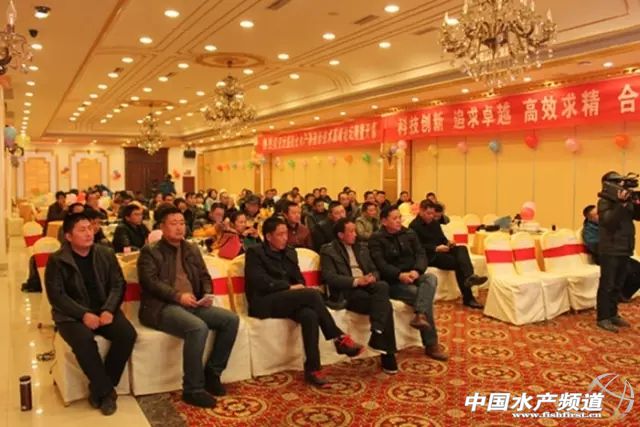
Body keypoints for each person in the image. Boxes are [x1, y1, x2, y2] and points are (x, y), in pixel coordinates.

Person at [137, 206, 240, 407]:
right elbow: (150, 282)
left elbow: (204, 276)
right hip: (161, 307)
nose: (179, 228)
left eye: (182, 223)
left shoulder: (191, 249)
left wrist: (207, 294)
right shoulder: (150, 251)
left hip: (193, 303)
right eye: (173, 223)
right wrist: (177, 296)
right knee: (197, 327)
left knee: (230, 320)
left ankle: (212, 373)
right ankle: (192, 389)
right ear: (162, 227)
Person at [245, 217, 364, 386]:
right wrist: (288, 287)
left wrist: (296, 288)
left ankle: (313, 369)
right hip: (264, 301)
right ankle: (338, 337)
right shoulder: (255, 253)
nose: (285, 238)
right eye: (280, 234)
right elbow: (259, 281)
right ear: (269, 236)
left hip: (289, 299)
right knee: (312, 295)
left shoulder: (290, 252)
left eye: (286, 234)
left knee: (309, 315)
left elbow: (299, 278)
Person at [45, 213, 137, 416]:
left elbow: (118, 284)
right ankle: (106, 392)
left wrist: (109, 309)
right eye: (82, 230)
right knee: (84, 340)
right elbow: (57, 296)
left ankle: (99, 388)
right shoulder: (57, 260)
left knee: (127, 334)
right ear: (68, 236)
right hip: (70, 315)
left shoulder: (105, 253)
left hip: (104, 309)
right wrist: (83, 314)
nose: (89, 233)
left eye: (90, 228)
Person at [369, 207, 448, 361]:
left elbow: (421, 254)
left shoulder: (409, 233)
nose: (399, 221)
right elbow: (380, 264)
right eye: (394, 218)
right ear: (384, 221)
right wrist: (399, 275)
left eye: (400, 217)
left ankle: (419, 315)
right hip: (393, 281)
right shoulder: (376, 238)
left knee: (430, 278)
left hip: (412, 274)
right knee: (419, 295)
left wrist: (417, 271)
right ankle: (431, 343)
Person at [320, 218, 398, 373]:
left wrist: (372, 277)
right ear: (341, 235)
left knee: (382, 285)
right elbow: (330, 277)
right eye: (351, 231)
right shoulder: (328, 250)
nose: (355, 234)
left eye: (355, 230)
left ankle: (377, 331)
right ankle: (386, 353)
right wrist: (356, 281)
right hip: (348, 291)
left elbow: (375, 270)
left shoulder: (362, 247)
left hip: (368, 285)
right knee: (386, 306)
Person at [410, 201, 486, 309]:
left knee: (462, 248)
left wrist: (448, 243)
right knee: (459, 264)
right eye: (428, 213)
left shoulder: (434, 223)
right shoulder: (414, 226)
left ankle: (470, 276)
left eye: (432, 214)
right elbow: (417, 247)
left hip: (442, 250)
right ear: (421, 211)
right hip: (430, 255)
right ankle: (468, 297)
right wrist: (435, 248)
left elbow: (442, 238)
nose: (431, 216)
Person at [596, 171, 640, 332]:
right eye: (618, 182)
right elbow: (609, 222)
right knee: (607, 285)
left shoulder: (626, 201)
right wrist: (621, 205)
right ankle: (603, 317)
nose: (621, 186)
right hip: (610, 249)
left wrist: (636, 203)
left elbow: (638, 216)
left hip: (625, 247)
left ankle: (613, 314)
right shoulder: (604, 202)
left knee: (618, 284)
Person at [582, 203, 640, 304]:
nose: (600, 215)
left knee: (637, 268)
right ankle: (617, 296)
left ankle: (623, 294)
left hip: (617, 253)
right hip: (603, 256)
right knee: (626, 270)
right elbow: (594, 247)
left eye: (599, 212)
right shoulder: (588, 230)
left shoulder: (608, 222)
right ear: (590, 219)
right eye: (596, 215)